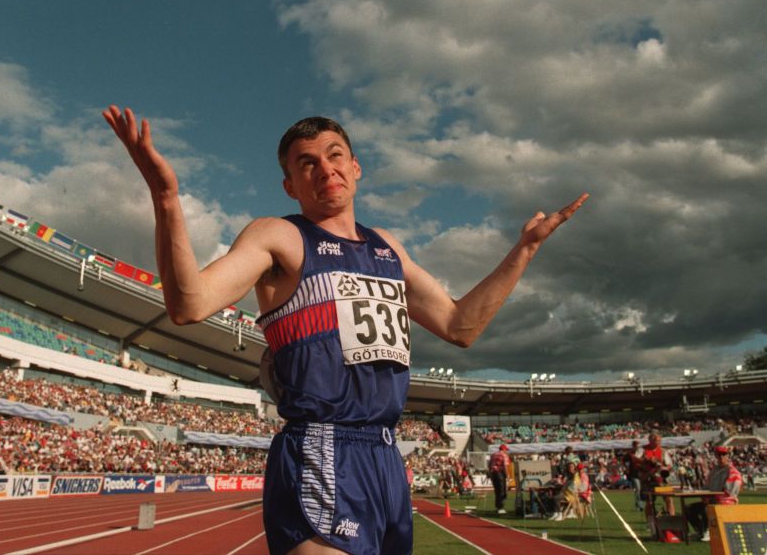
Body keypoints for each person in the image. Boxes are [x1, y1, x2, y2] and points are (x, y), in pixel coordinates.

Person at [104, 106, 588, 555]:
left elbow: (460, 325)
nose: (325, 169)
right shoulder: (280, 237)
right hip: (321, 449)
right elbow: (189, 304)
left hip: (386, 458)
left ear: (356, 168)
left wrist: (524, 250)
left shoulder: (387, 248)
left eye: (335, 156)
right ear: (290, 185)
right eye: (307, 163)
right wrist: (166, 198)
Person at [684, 447, 742, 542]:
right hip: (712, 500)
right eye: (719, 455)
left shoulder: (733, 471)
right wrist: (700, 493)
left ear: (728, 456)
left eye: (723, 454)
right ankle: (700, 531)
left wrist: (712, 497)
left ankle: (709, 531)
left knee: (708, 508)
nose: (721, 457)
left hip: (726, 502)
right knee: (688, 508)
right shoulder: (714, 471)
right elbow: (707, 487)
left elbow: (731, 492)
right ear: (716, 456)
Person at [636, 431, 675, 534]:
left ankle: (672, 520)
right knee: (649, 501)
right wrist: (647, 462)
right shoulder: (642, 450)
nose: (658, 442)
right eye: (656, 440)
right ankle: (650, 522)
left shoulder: (663, 451)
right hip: (648, 478)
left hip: (661, 479)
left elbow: (669, 464)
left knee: (669, 499)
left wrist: (663, 468)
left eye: (659, 440)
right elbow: (636, 461)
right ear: (650, 440)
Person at [488, 444, 511, 514]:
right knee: (502, 490)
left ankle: (498, 507)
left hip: (493, 473)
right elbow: (505, 466)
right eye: (506, 450)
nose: (506, 451)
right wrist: (507, 475)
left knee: (497, 491)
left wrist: (490, 473)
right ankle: (500, 507)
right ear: (503, 449)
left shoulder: (493, 455)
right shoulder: (504, 455)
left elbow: (489, 465)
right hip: (500, 473)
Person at [625, 439, 645, 510]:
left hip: (642, 473)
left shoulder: (643, 452)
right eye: (636, 445)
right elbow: (624, 461)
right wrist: (627, 468)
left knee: (642, 489)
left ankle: (639, 504)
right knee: (638, 489)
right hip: (634, 473)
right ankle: (640, 505)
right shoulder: (630, 453)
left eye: (638, 445)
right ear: (633, 446)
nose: (638, 447)